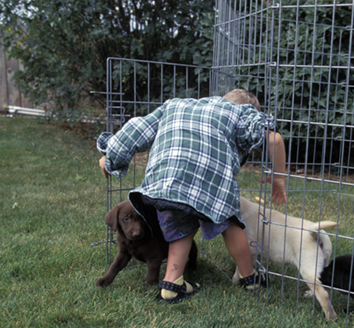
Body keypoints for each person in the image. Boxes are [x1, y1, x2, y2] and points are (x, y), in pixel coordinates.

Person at [97, 89, 287, 303]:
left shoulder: (175, 105)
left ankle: (172, 284)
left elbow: (135, 130)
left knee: (180, 224)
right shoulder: (243, 114)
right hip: (213, 182)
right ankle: (249, 277)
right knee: (230, 224)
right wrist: (278, 178)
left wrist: (109, 158)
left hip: (167, 179)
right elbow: (275, 140)